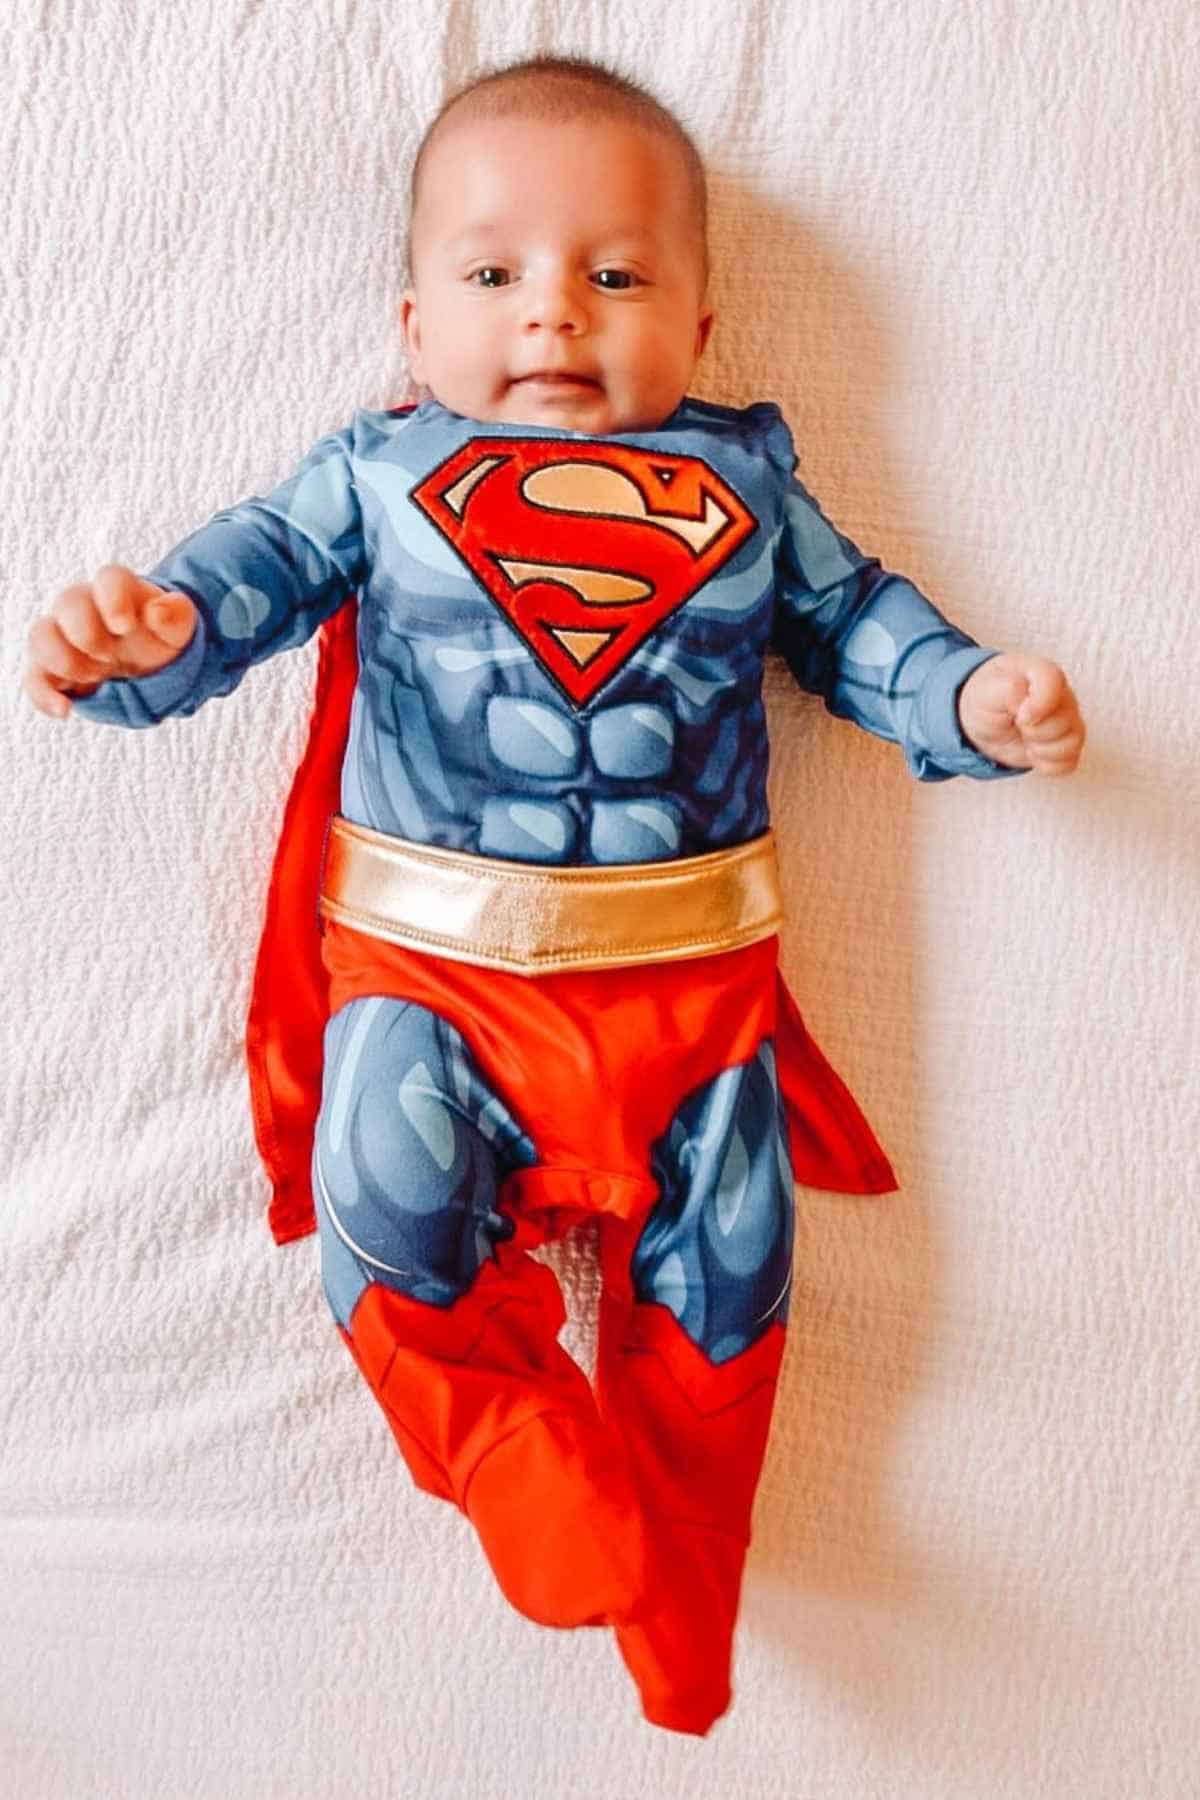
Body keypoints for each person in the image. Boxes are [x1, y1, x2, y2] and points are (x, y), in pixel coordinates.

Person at [22, 55, 1085, 1736]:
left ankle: (683, 1607)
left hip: (690, 996)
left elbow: (865, 623)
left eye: (617, 274)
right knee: (387, 1235)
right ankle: (535, 1481)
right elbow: (236, 582)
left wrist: (967, 699)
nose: (554, 319)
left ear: (706, 328)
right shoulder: (374, 477)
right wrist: (144, 643)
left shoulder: (751, 492)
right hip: (432, 985)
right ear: (413, 321)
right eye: (495, 274)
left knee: (730, 1301)